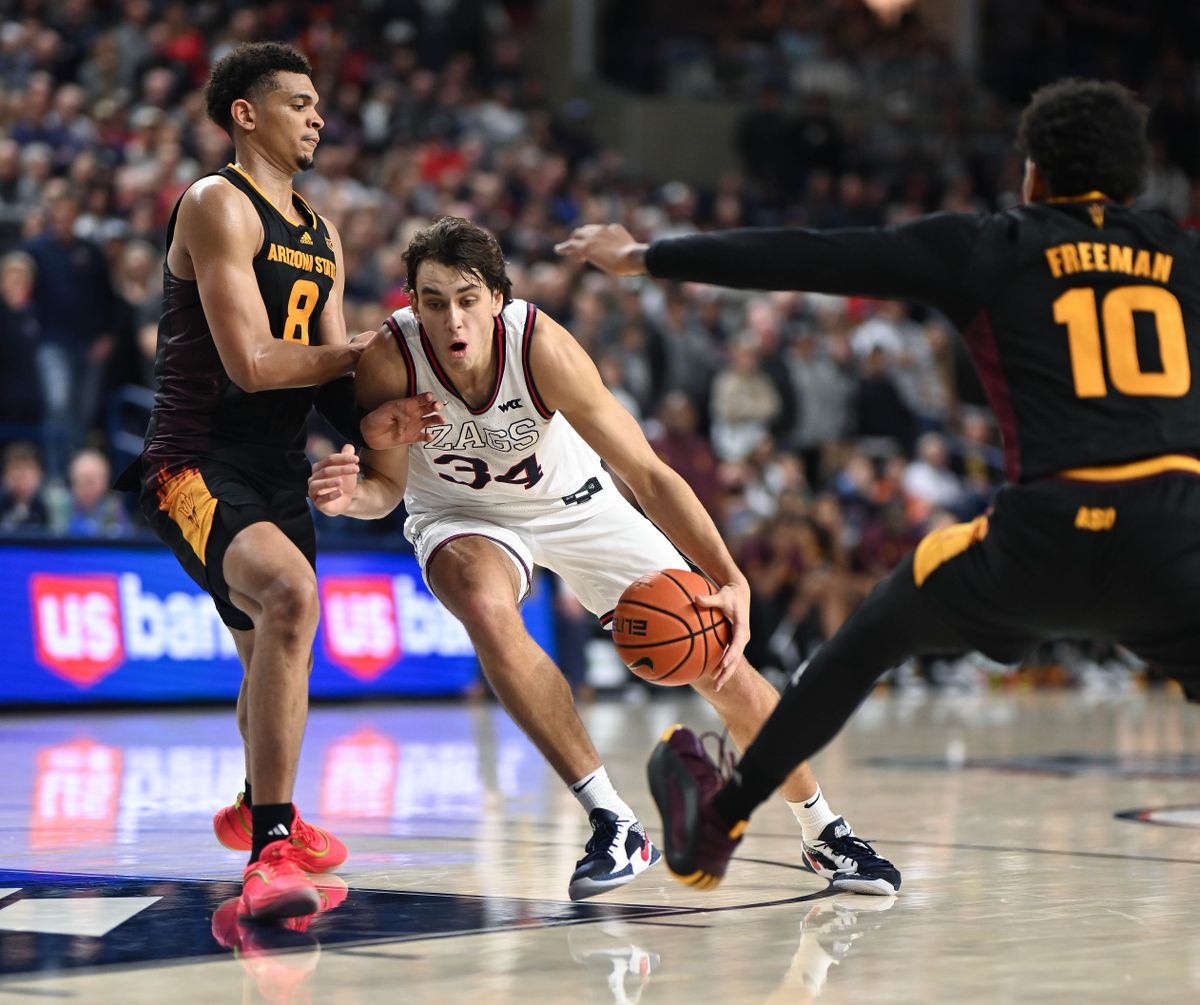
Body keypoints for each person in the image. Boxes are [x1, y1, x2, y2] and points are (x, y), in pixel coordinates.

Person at [556, 78, 1200, 887]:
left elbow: (813, 254)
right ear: (1136, 180)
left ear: (1033, 173)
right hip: (1175, 536)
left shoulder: (992, 242)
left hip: (1045, 533)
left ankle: (721, 823)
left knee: (871, 634)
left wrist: (648, 255)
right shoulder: (1183, 255)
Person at [308, 216, 900, 900]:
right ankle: (613, 819)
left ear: (497, 298)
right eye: (433, 300)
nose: (451, 316)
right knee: (483, 604)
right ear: (411, 302)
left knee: (718, 659)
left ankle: (823, 829)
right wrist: (347, 497)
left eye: (467, 297)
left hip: (577, 504)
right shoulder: (390, 360)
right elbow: (384, 489)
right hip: (462, 516)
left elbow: (647, 474)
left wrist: (728, 578)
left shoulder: (542, 348)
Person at [116, 42, 442, 920]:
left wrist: (396, 417)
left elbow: (333, 381)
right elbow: (255, 362)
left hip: (276, 470)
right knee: (293, 596)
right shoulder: (217, 205)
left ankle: (255, 800)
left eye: (319, 105)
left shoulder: (320, 228)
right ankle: (271, 844)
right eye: (298, 103)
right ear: (245, 114)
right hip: (192, 461)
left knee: (270, 651)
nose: (318, 117)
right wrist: (376, 346)